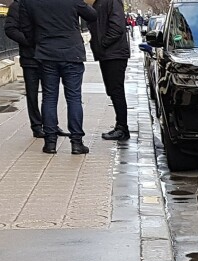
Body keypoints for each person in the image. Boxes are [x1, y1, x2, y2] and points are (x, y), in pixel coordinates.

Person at [18, 0, 97, 154]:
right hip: (71, 53)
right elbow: (92, 15)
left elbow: (26, 29)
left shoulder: (28, 2)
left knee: (49, 97)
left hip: (46, 54)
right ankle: (76, 142)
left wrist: (41, 41)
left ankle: (50, 142)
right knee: (74, 98)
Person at [3, 0, 66, 138]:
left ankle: (51, 125)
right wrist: (28, 41)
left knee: (50, 93)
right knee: (32, 94)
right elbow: (10, 28)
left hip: (47, 55)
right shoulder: (18, 4)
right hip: (29, 57)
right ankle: (36, 126)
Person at [91, 0, 131, 140]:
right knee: (113, 91)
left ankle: (122, 128)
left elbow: (117, 27)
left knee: (116, 90)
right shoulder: (99, 2)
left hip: (114, 54)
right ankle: (120, 126)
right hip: (108, 54)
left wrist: (102, 44)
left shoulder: (111, 1)